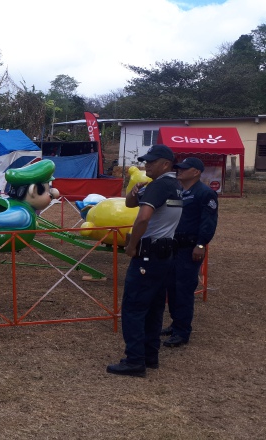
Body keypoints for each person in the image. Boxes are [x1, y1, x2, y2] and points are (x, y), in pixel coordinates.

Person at [107, 144, 183, 377]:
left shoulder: (158, 186)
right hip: (165, 254)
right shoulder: (174, 186)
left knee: (134, 308)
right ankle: (150, 356)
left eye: (151, 161)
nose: (146, 165)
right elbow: (131, 203)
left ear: (166, 164)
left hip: (148, 254)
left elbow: (142, 219)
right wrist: (135, 191)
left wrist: (131, 246)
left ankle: (134, 361)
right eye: (145, 161)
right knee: (154, 308)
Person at [162, 157, 218, 347]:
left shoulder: (205, 193)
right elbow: (170, 214)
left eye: (184, 169)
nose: (179, 171)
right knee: (172, 287)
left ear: (196, 172)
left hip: (189, 247)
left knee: (184, 289)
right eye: (179, 168)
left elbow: (208, 222)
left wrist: (201, 245)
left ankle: (182, 331)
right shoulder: (178, 192)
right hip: (172, 246)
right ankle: (175, 323)